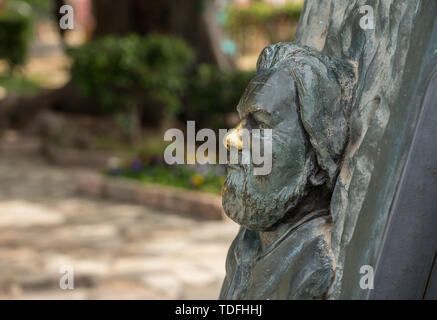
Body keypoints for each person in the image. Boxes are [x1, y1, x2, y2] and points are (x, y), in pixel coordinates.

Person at [220, 42, 356, 299]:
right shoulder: (245, 247)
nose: (232, 138)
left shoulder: (311, 272)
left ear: (316, 162)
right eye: (242, 120)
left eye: (260, 126)